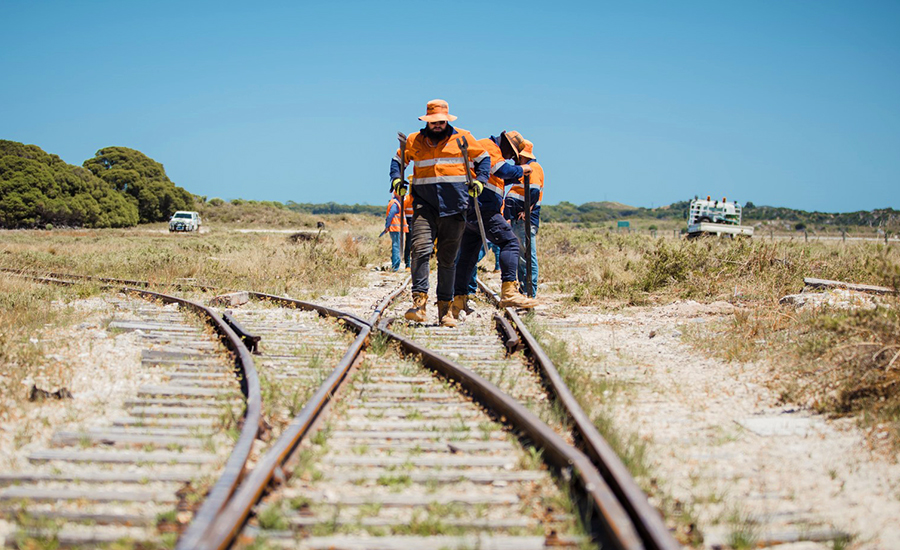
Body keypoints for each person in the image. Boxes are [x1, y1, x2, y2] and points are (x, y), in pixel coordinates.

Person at [389, 99, 490, 327]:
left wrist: (481, 181)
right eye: (433, 122)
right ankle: (419, 303)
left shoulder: (463, 138)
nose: (437, 125)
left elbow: (484, 159)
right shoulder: (414, 140)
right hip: (425, 206)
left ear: (447, 120)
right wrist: (397, 179)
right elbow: (397, 160)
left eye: (441, 122)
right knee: (420, 250)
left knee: (447, 260)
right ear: (427, 121)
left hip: (455, 207)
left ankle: (446, 310)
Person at [452, 132, 539, 317]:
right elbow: (501, 170)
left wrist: (514, 176)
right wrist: (521, 170)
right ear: (506, 144)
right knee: (510, 243)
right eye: (512, 155)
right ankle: (508, 291)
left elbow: (499, 177)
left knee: (468, 256)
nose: (511, 159)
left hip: (471, 209)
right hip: (483, 208)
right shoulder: (489, 147)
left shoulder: (491, 151)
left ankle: (458, 300)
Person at [504, 134, 543, 297]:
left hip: (524, 221)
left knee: (527, 255)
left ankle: (530, 290)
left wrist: (526, 211)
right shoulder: (525, 169)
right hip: (519, 220)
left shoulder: (533, 168)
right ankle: (524, 288)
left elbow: (533, 190)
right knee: (522, 255)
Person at [382, 191, 409, 271]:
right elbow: (391, 215)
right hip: (395, 228)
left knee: (396, 246)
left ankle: (395, 265)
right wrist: (387, 226)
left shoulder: (397, 203)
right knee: (396, 246)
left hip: (397, 228)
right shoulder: (395, 203)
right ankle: (395, 266)